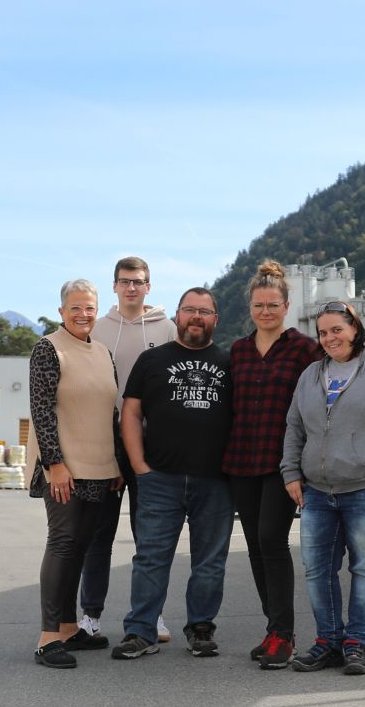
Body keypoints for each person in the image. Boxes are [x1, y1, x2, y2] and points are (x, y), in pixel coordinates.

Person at [281, 300, 365, 676]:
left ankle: (356, 643)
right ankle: (328, 641)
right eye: (323, 332)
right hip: (318, 491)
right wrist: (290, 472)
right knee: (317, 569)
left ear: (355, 328)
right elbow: (295, 427)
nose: (329, 338)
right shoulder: (311, 374)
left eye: (336, 330)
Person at [113, 287, 233, 660]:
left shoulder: (231, 363)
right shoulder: (152, 361)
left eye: (205, 311)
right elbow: (130, 413)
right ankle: (141, 631)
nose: (196, 317)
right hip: (159, 478)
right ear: (177, 317)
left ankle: (201, 628)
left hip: (216, 480)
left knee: (210, 561)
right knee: (150, 557)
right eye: (189, 310)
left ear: (215, 319)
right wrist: (139, 467)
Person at [224, 260, 321, 670]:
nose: (265, 311)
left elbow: (316, 405)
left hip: (283, 463)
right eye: (259, 305)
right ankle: (273, 629)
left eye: (273, 304)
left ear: (286, 305)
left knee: (272, 541)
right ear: (250, 306)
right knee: (256, 549)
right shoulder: (239, 351)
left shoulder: (304, 349)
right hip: (242, 459)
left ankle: (285, 634)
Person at [76, 256, 178, 642]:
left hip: (151, 446)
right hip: (104, 443)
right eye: (124, 281)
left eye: (138, 281)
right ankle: (91, 616)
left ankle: (152, 616)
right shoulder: (97, 330)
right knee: (98, 535)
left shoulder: (167, 329)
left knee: (148, 537)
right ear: (115, 286)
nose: (131, 287)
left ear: (148, 286)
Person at [28, 279, 123, 669]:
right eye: (75, 307)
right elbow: (42, 408)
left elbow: (110, 413)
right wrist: (54, 464)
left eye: (89, 308)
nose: (83, 314)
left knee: (81, 548)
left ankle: (69, 627)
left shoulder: (102, 352)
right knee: (63, 543)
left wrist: (116, 463)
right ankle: (48, 636)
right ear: (61, 310)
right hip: (64, 468)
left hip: (101, 468)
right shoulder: (48, 349)